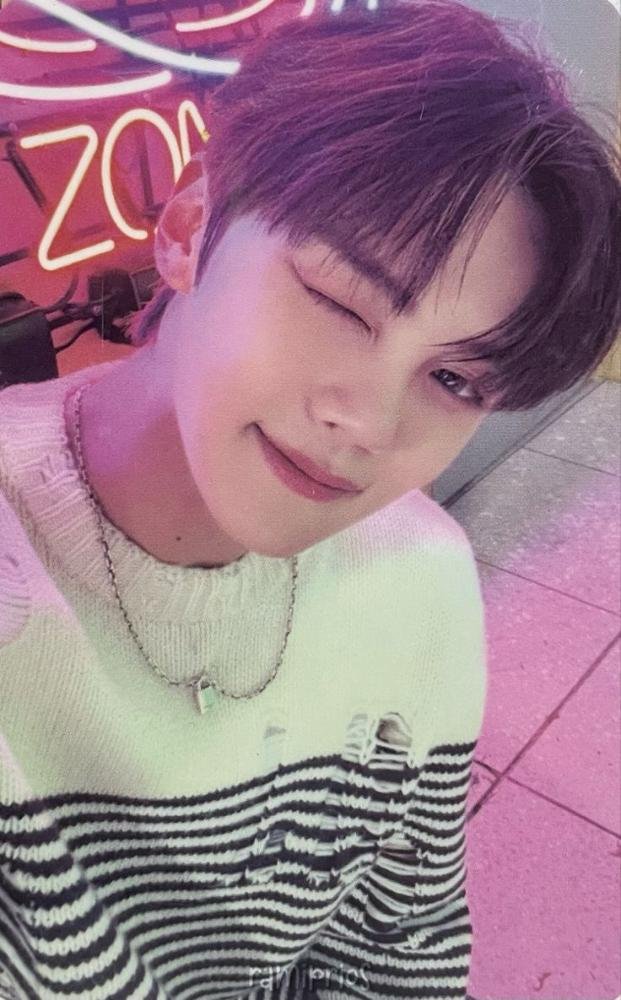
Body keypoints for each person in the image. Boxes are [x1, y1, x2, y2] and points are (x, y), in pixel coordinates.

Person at [0, 0, 619, 997]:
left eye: (454, 380)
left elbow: (400, 941)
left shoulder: (421, 579)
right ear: (188, 230)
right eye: (338, 301)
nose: (367, 423)